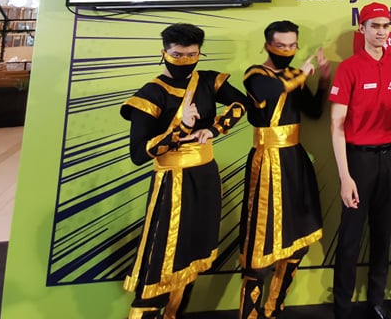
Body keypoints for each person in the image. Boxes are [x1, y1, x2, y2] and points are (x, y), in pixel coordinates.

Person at [120, 23, 249, 319]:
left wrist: (214, 128)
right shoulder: (152, 93)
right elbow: (138, 154)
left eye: (192, 55)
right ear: (164, 52)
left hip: (205, 177)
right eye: (178, 55)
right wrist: (180, 127)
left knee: (193, 252)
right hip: (173, 183)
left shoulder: (207, 81)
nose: (185, 61)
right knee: (162, 259)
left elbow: (241, 103)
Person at [239, 20, 331, 319]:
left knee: (298, 239)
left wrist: (324, 81)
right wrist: (302, 74)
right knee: (260, 244)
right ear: (268, 46)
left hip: (294, 159)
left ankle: (274, 309)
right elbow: (272, 89)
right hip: (267, 161)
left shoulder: (294, 75)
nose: (287, 51)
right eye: (281, 46)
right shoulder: (255, 74)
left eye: (292, 46)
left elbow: (313, 111)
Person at [330, 2, 391, 319]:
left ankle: (377, 300)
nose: (381, 31)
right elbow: (336, 124)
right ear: (361, 29)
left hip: (388, 157)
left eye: (385, 26)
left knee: (382, 233)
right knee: (350, 237)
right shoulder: (348, 67)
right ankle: (342, 307)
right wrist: (345, 177)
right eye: (374, 26)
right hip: (357, 161)